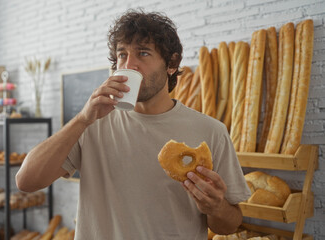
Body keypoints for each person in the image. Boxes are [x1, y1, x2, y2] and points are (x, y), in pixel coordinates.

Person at [16, 9, 251, 240]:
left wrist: (216, 207)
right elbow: (26, 181)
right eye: (122, 55)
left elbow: (230, 225)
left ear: (171, 63)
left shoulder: (210, 131)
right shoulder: (92, 124)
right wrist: (82, 118)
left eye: (143, 53)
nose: (129, 65)